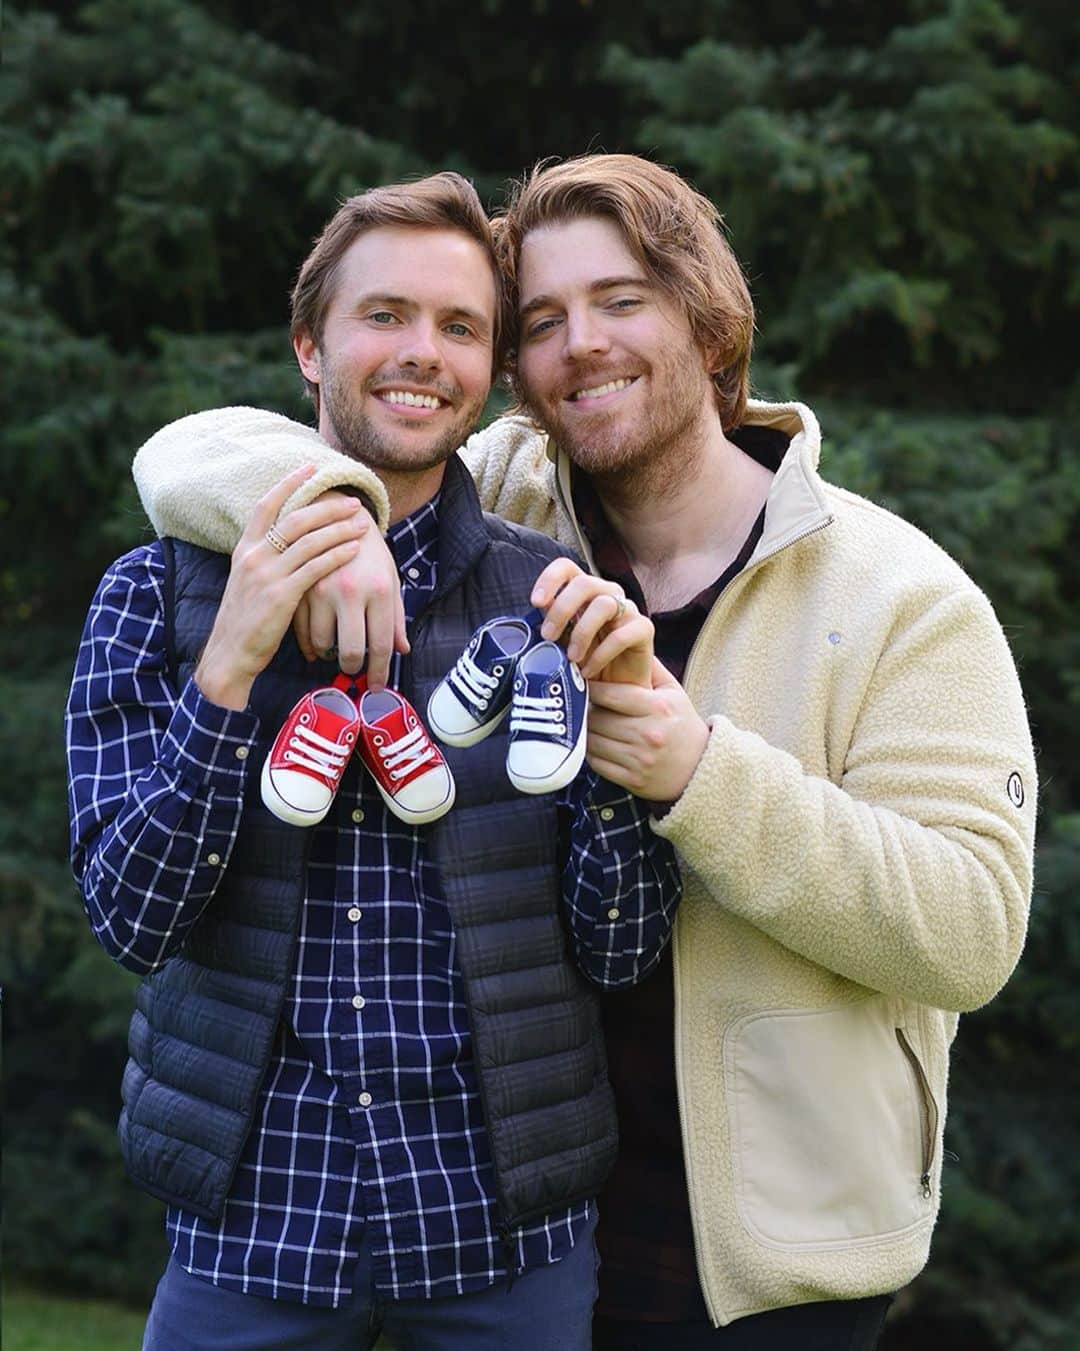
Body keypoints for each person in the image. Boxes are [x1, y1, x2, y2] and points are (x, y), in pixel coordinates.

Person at [130, 154, 1037, 1349]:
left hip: (762, 1251)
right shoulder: (515, 500)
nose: (581, 346)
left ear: (711, 328)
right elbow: (194, 450)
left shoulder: (899, 598)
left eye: (621, 301)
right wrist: (336, 509)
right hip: (519, 1214)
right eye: (543, 321)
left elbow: (972, 928)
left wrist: (699, 773)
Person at [65, 171, 682, 1351]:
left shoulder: (548, 604)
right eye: (385, 316)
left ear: (492, 368)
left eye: (459, 327)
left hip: (503, 1230)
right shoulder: (157, 589)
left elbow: (621, 947)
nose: (422, 353)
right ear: (311, 345)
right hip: (255, 1222)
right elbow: (130, 919)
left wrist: (616, 757)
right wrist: (231, 668)